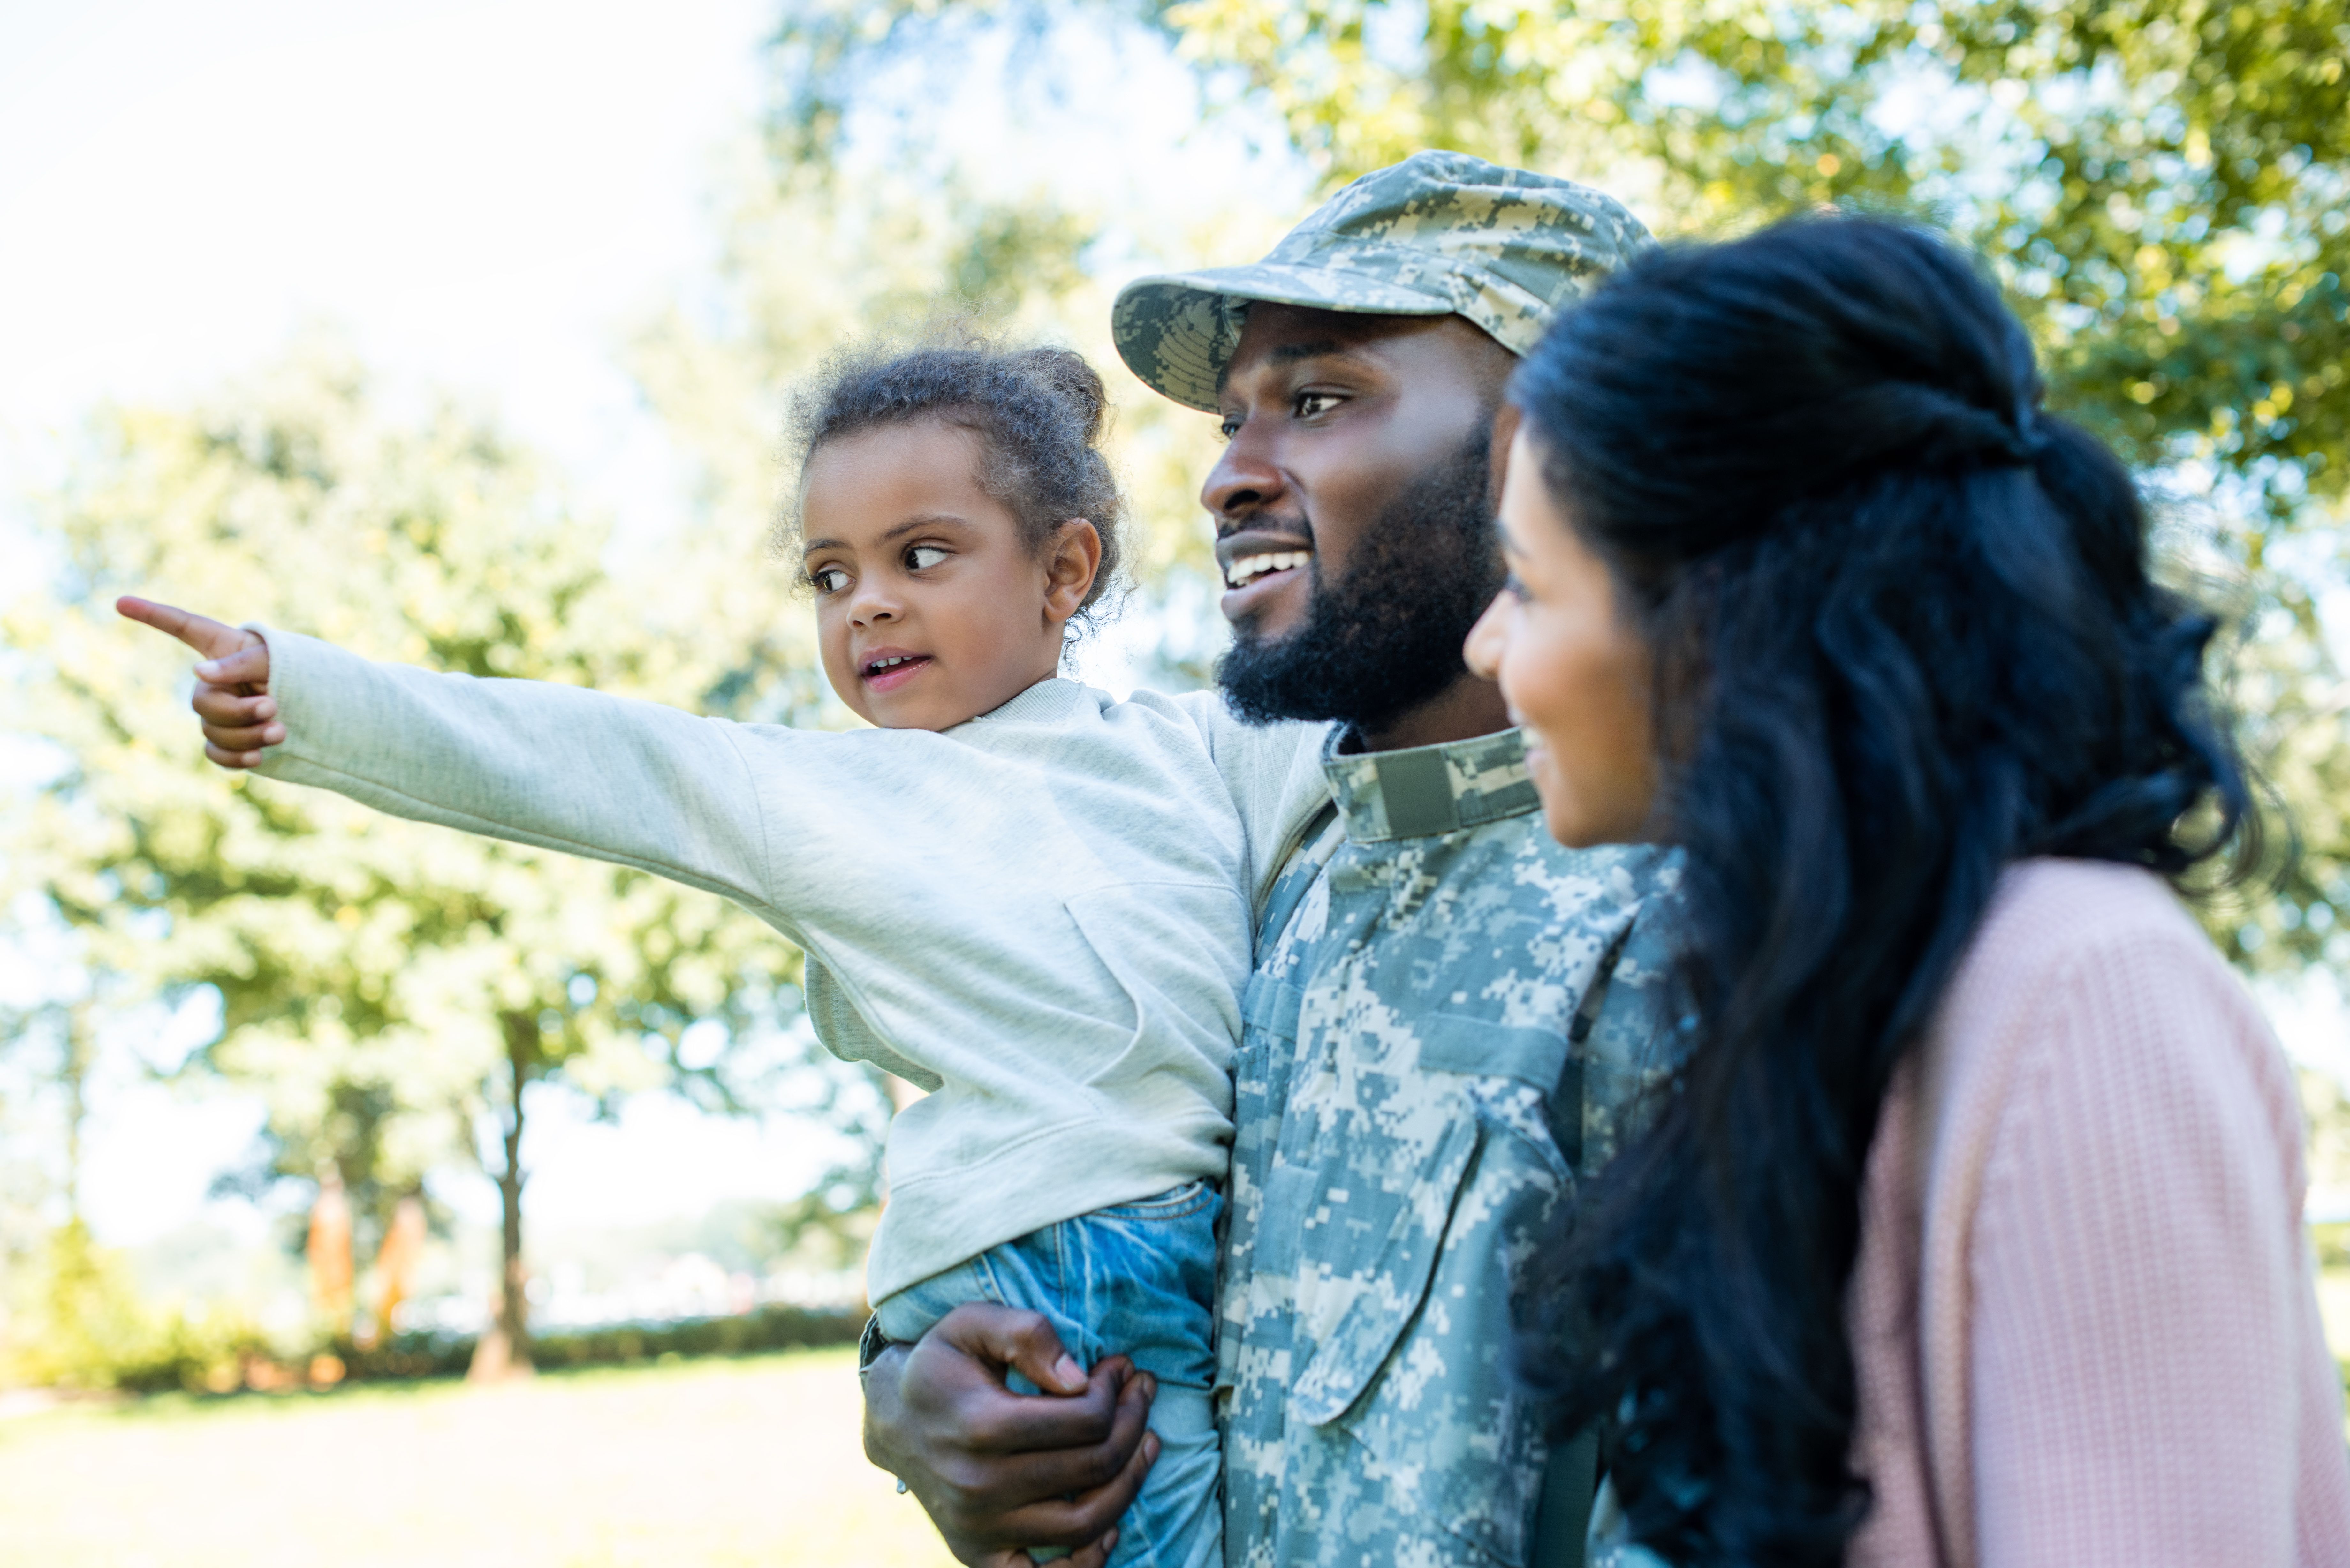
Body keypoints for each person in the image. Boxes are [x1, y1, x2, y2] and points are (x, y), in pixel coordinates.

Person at [118, 340, 1337, 1568]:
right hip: (1044, 1268)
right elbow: (595, 760)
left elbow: (1372, 729)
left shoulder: (1195, 746)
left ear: (1063, 569)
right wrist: (307, 697)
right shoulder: (827, 792)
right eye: (828, 575)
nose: (866, 602)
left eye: (922, 556)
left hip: (1178, 1244)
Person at [1467, 214, 2350, 1565]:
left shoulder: (2082, 991)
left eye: (1526, 586)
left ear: (1715, 619)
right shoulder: (1828, 991)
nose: (1487, 648)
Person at [860, 151, 1687, 1568]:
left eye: (1316, 401)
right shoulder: (1272, 882)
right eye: (1233, 419)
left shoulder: (1693, 916)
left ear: (1568, 444)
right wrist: (914, 1388)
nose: (1225, 478)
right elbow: (1083, 1184)